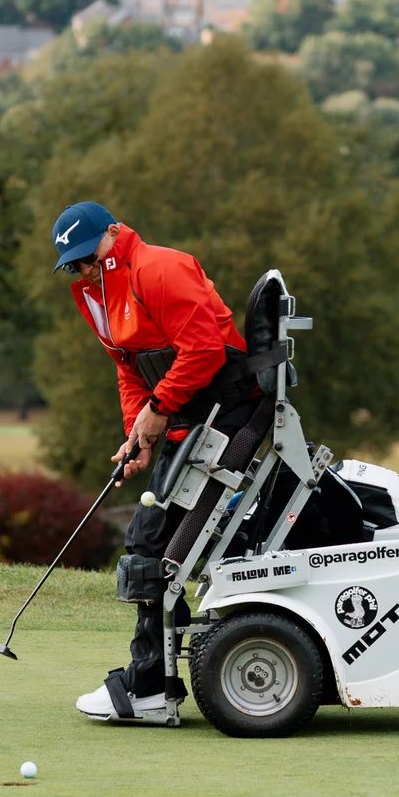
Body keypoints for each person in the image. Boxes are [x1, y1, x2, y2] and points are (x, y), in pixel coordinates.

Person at [50, 201, 262, 723]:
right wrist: (138, 432)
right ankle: (155, 685)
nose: (82, 270)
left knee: (151, 543)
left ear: (112, 236)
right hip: (191, 419)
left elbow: (205, 351)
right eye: (73, 266)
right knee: (150, 540)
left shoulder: (159, 268)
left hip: (229, 413)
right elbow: (129, 370)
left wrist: (159, 411)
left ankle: (148, 688)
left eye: (86, 258)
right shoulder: (95, 295)